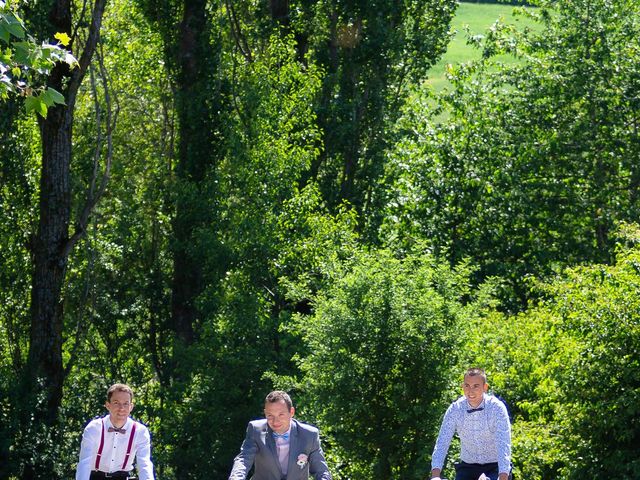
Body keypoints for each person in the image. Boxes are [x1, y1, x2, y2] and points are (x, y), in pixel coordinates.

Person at [228, 390, 332, 480]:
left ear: (291, 412)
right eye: (270, 415)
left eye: (281, 415)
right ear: (265, 413)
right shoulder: (256, 430)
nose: (275, 421)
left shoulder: (310, 435)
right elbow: (243, 459)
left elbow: (321, 471)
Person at [430, 368, 512, 480]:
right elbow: (442, 442)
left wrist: (503, 477)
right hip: (467, 467)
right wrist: (435, 476)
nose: (470, 390)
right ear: (463, 387)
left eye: (476, 386)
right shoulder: (455, 409)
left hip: (496, 467)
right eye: (467, 385)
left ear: (485, 387)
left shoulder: (497, 408)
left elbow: (504, 444)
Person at [76, 383, 155, 480]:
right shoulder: (94, 428)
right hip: (95, 477)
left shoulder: (140, 431)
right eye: (116, 403)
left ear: (131, 406)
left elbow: (144, 464)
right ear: (107, 405)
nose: (121, 408)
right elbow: (84, 463)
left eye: (126, 403)